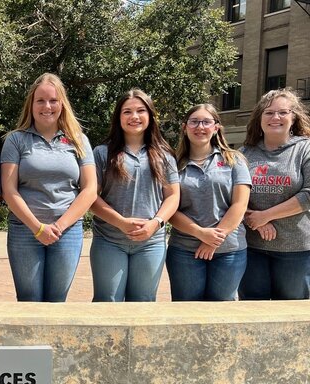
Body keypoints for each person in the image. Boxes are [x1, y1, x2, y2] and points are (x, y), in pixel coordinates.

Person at [0, 73, 97, 302]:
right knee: (28, 300)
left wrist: (59, 226)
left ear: (62, 104)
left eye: (53, 100)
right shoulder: (16, 140)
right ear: (31, 105)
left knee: (57, 300)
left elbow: (90, 188)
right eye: (40, 101)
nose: (47, 106)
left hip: (67, 232)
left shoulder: (78, 140)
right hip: (25, 230)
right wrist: (38, 228)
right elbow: (9, 189)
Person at [90, 89, 180, 302]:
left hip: (151, 242)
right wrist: (120, 222)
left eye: (141, 110)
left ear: (150, 115)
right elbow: (91, 197)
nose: (134, 117)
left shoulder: (164, 155)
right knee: (107, 303)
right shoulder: (102, 153)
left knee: (143, 304)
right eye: (127, 111)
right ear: (118, 117)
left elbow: (173, 196)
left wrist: (155, 223)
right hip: (109, 240)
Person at [166, 104, 251, 301]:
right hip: (185, 250)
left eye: (206, 122)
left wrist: (213, 241)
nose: (200, 127)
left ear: (216, 128)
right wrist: (200, 233)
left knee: (221, 311)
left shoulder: (234, 160)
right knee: (186, 310)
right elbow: (170, 207)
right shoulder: (172, 163)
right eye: (194, 122)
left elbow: (240, 204)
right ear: (185, 127)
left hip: (229, 250)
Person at [239, 89, 310, 300]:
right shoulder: (244, 153)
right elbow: (229, 197)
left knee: (292, 316)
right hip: (251, 247)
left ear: (293, 116)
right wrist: (255, 219)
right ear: (259, 118)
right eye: (268, 113)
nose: (275, 118)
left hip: (295, 250)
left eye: (283, 112)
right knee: (253, 313)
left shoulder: (304, 149)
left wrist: (266, 215)